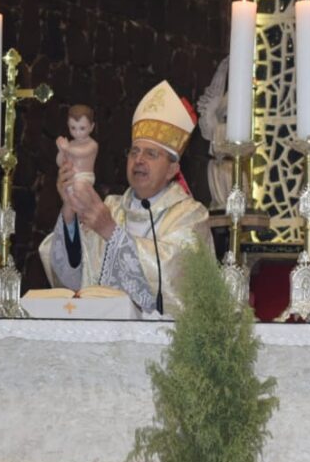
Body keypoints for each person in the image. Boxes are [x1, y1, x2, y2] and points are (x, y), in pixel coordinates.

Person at [39, 80, 212, 315]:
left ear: (172, 169)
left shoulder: (190, 215)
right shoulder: (111, 206)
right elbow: (73, 278)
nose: (139, 160)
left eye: (151, 154)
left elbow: (174, 278)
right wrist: (69, 214)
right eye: (134, 152)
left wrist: (111, 232)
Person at [56, 104, 98, 189]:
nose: (77, 132)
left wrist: (67, 148)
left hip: (84, 177)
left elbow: (81, 153)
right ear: (68, 125)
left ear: (91, 127)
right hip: (70, 177)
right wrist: (61, 151)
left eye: (82, 128)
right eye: (73, 128)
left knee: (79, 188)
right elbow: (60, 163)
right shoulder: (71, 144)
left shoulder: (92, 144)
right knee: (67, 193)